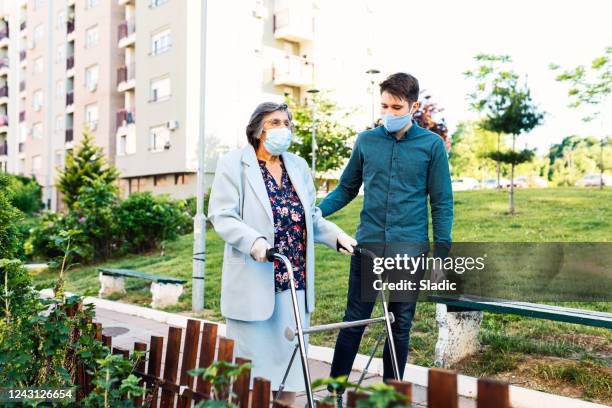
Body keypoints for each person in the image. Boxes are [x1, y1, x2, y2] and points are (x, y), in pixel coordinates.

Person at [207, 102, 357, 404]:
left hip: (293, 282)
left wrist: (337, 237)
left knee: (290, 371)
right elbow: (222, 215)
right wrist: (255, 243)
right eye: (276, 122)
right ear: (259, 129)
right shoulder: (234, 164)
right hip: (255, 278)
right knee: (251, 374)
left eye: (287, 122)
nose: (283, 128)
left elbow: (310, 217)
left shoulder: (297, 166)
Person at [318, 73, 453, 406]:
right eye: (384, 106)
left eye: (397, 107)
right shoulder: (366, 142)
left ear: (413, 106)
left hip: (410, 249)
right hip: (369, 247)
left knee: (400, 324)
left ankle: (390, 397)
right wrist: (315, 212)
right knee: (354, 321)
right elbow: (347, 188)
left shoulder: (431, 146)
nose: (390, 113)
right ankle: (334, 391)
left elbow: (441, 202)